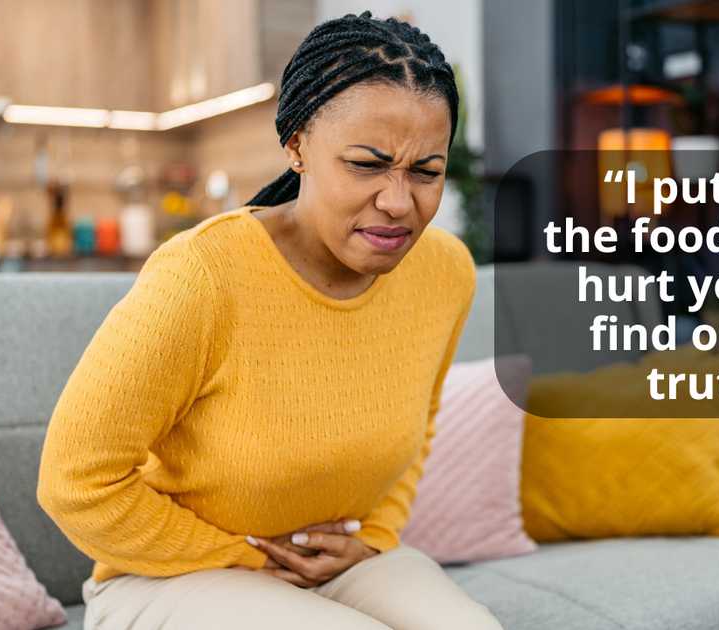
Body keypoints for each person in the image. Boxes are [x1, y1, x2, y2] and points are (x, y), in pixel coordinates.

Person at [37, 11, 502, 630]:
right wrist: (243, 556)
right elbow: (75, 482)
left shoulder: (445, 273)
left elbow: (419, 425)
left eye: (427, 172)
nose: (398, 202)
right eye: (367, 164)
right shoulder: (202, 275)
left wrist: (377, 536)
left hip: (333, 565)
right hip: (169, 578)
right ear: (297, 146)